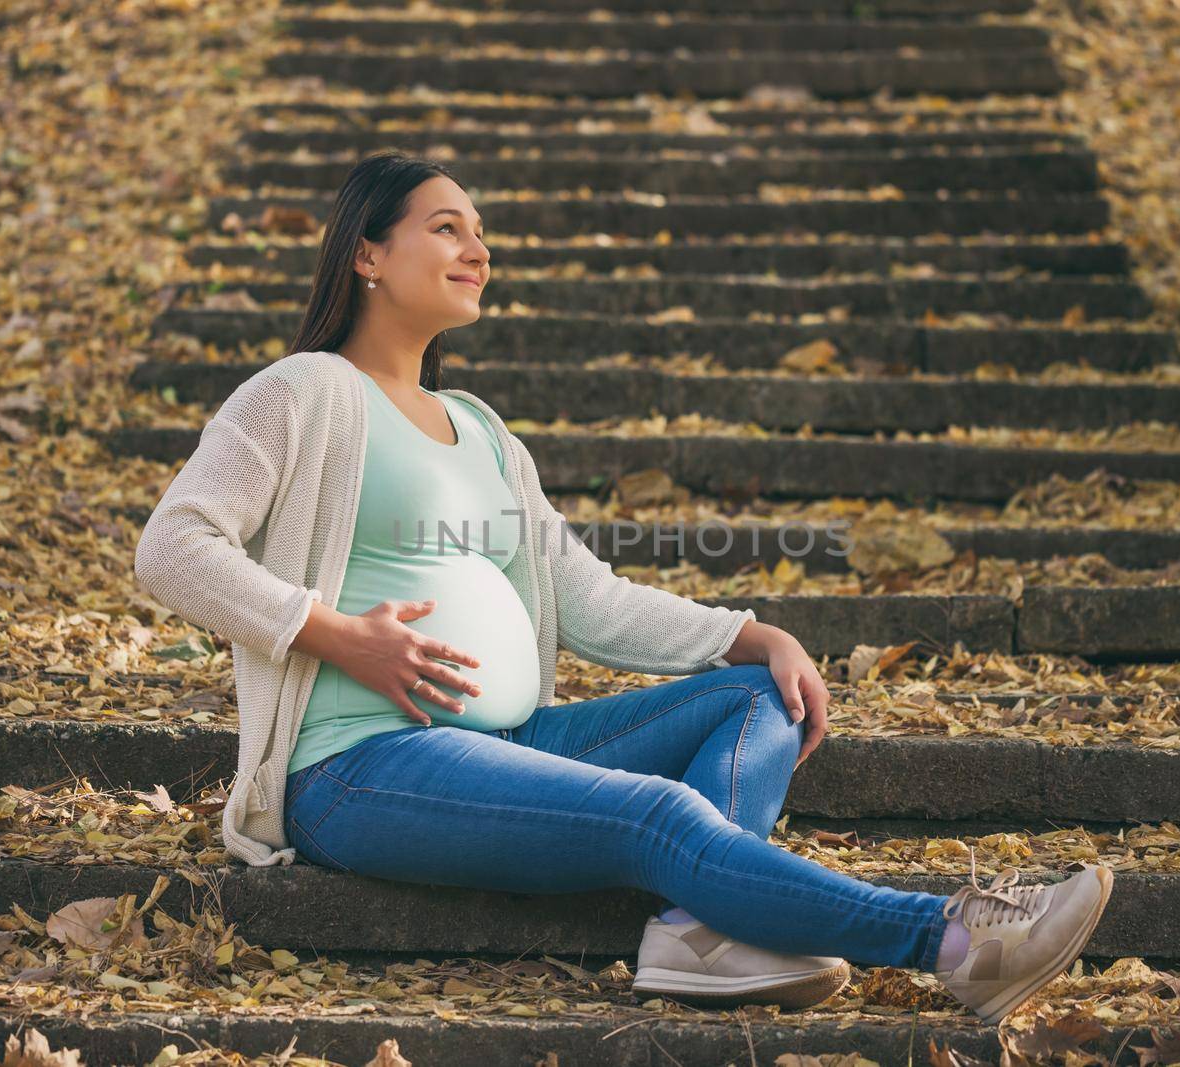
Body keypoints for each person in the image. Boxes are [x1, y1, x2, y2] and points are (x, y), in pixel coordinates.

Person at [135, 150, 1114, 1024]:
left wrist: (751, 631)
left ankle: (702, 928)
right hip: (360, 764)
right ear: (366, 254)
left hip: (512, 742)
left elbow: (589, 597)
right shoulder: (302, 391)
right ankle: (954, 941)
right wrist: (336, 633)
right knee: (658, 814)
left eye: (480, 233)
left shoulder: (478, 427)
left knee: (757, 692)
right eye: (446, 227)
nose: (476, 248)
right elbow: (172, 546)